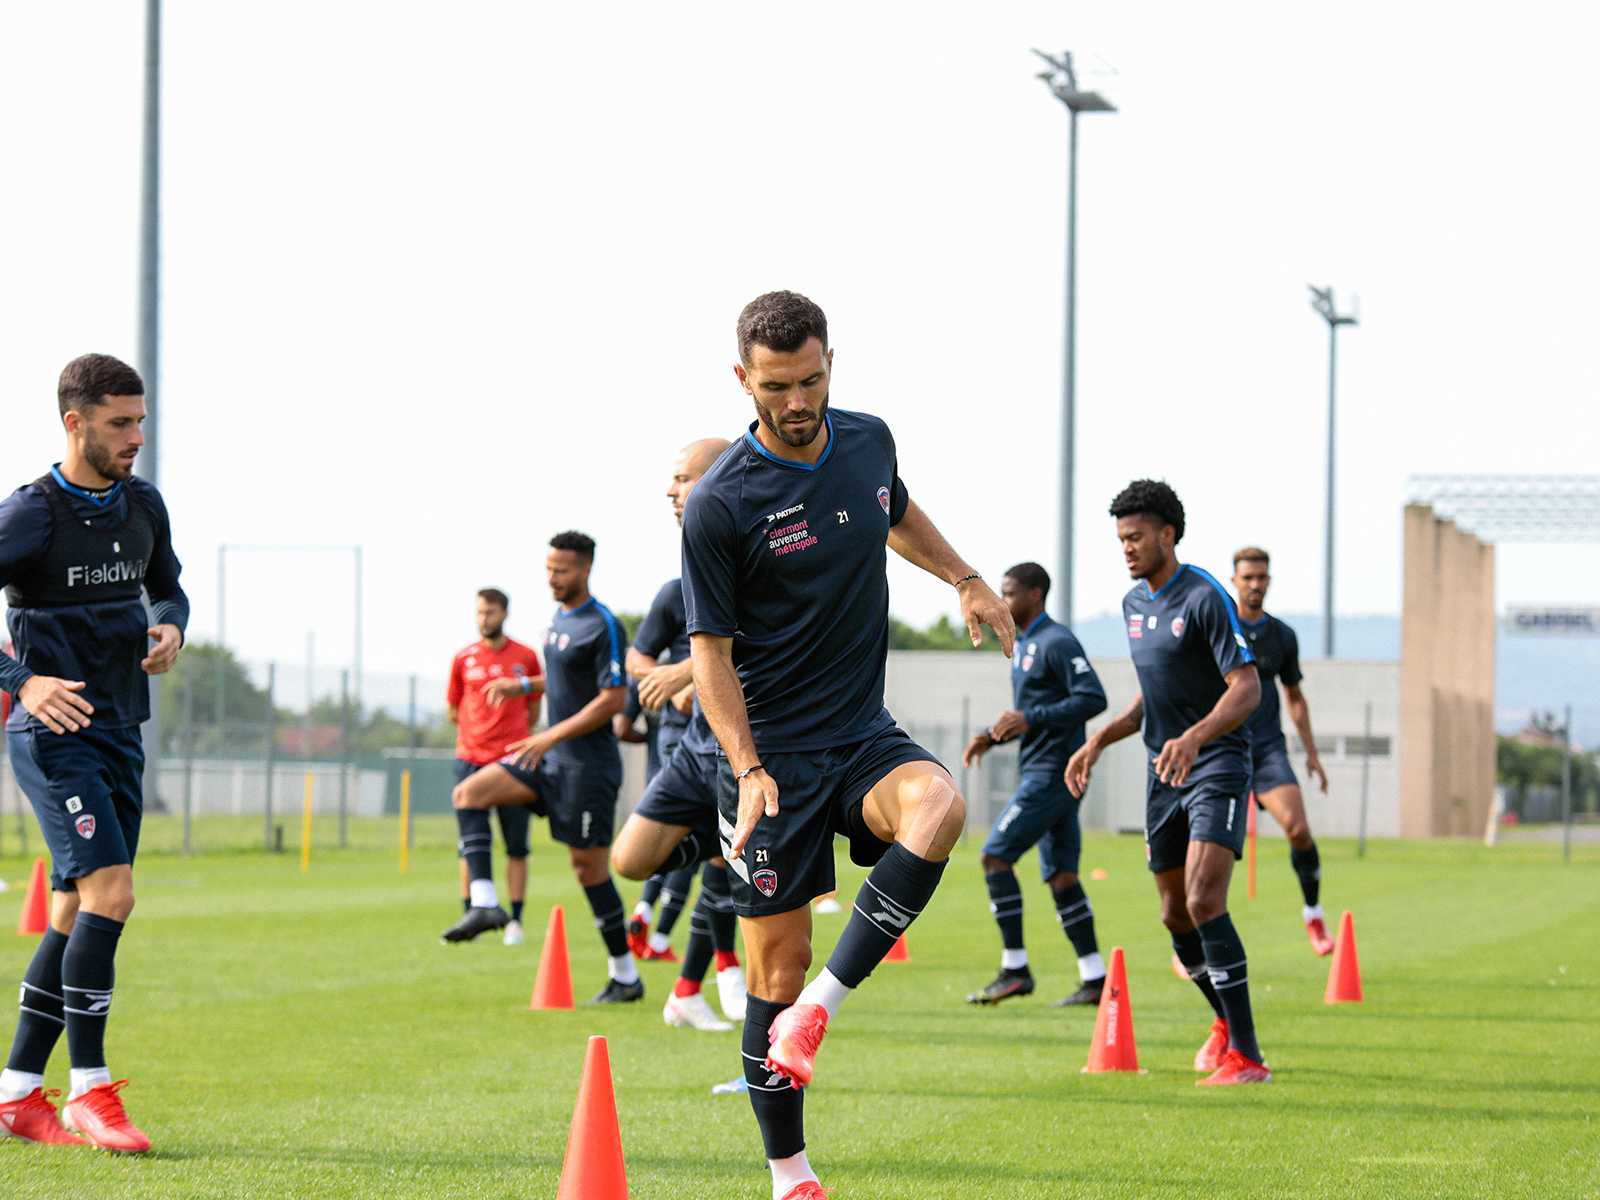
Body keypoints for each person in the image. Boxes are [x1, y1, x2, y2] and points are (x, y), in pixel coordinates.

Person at [682, 291, 1014, 1200]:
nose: (798, 403)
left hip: (861, 731)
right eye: (778, 386)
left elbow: (894, 510)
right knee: (773, 968)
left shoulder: (868, 438)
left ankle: (817, 1017)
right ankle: (789, 1173)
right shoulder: (721, 504)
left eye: (813, 381)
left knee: (940, 804)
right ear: (742, 379)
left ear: (835, 364)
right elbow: (708, 657)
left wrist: (968, 578)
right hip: (770, 761)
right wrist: (746, 769)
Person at [0, 354, 189, 1151]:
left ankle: (14, 1095)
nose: (136, 436)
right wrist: (22, 681)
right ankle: (89, 1091)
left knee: (78, 907)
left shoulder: (143, 502)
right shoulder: (30, 514)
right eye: (121, 422)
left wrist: (173, 624)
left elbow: (168, 584)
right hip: (55, 738)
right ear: (75, 423)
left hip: (121, 731)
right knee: (112, 894)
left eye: (140, 420)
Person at [1065, 479, 1270, 1086]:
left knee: (1206, 901)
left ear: (1167, 534)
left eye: (1136, 537)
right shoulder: (1134, 606)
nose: (1127, 547)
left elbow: (1248, 688)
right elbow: (1155, 699)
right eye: (1121, 538)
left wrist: (1195, 737)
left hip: (1216, 763)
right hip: (1165, 772)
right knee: (1175, 915)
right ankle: (1225, 1024)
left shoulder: (1204, 597)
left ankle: (1249, 1057)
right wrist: (1100, 738)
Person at [442, 533, 640, 1004]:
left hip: (587, 768)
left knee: (588, 869)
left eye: (562, 571)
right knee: (469, 794)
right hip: (548, 759)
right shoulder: (556, 620)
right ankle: (487, 904)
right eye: (549, 569)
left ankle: (625, 976)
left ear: (585, 570)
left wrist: (550, 733)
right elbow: (566, 676)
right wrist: (525, 686)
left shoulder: (604, 623)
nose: (552, 578)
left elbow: (613, 696)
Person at [609, 438, 750, 1032]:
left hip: (745, 750)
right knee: (631, 859)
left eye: (681, 479)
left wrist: (690, 671)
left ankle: (724, 985)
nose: (670, 491)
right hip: (689, 746)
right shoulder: (678, 585)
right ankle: (700, 984)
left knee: (747, 891)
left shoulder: (760, 562)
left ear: (717, 483)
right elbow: (640, 661)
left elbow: (761, 646)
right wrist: (676, 680)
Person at [962, 562, 1108, 1007]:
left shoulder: (1057, 642)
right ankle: (1095, 977)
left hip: (1052, 774)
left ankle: (1014, 968)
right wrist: (992, 736)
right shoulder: (1023, 643)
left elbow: (1092, 698)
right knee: (1062, 875)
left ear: (1035, 594)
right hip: (1044, 770)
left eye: (1009, 593)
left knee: (994, 856)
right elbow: (1036, 712)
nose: (1002, 602)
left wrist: (1029, 719)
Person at [1231, 548, 1335, 955]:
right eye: (1248, 578)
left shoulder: (1282, 636)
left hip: (1267, 751)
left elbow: (1294, 696)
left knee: (1298, 829)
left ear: (1268, 581)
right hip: (1224, 749)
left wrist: (1311, 752)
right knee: (1207, 847)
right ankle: (1187, 941)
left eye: (1262, 577)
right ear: (1235, 580)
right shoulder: (1219, 627)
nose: (1255, 584)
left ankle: (1313, 914)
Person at [444, 588, 542, 945]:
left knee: (516, 846)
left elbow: (533, 710)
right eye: (480, 612)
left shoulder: (527, 656)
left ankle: (514, 920)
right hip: (470, 758)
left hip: (511, 761)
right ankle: (472, 912)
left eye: (491, 612)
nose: (484, 618)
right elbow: (454, 709)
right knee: (468, 844)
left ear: (504, 614)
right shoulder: (463, 658)